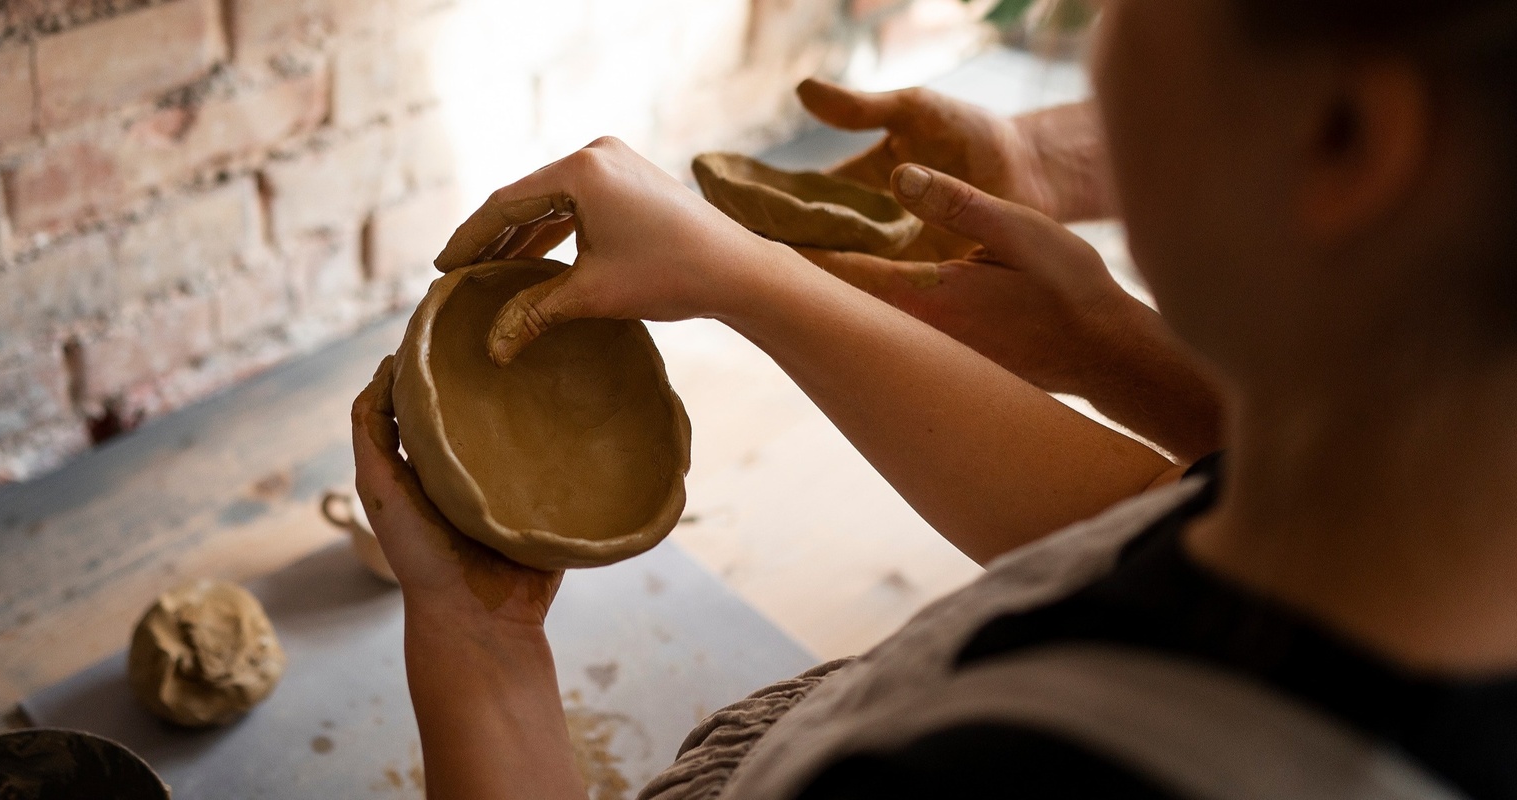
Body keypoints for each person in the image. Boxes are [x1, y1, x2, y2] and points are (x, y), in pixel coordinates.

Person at [351, 0, 1517, 796]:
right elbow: (1145, 511)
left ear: (1345, 135)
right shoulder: (1416, 510)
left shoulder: (1002, 773)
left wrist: (481, 646)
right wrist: (1114, 348)